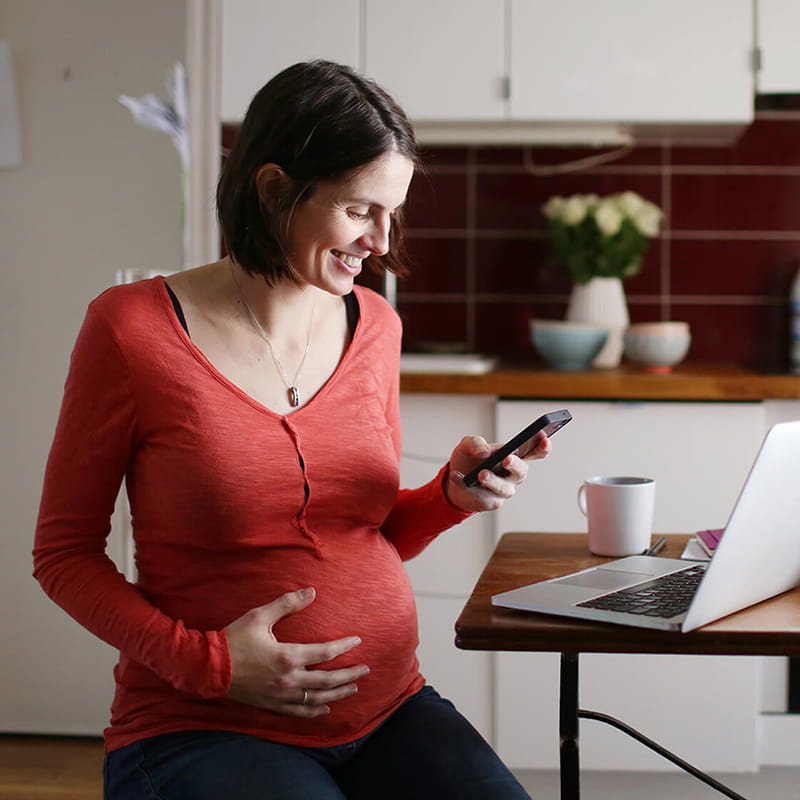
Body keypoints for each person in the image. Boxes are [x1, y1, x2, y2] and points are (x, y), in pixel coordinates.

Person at [34, 60, 550, 800]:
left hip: (390, 711)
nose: (380, 239)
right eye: (359, 209)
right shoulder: (131, 330)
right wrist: (209, 664)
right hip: (200, 727)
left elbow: (363, 533)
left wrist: (450, 497)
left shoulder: (374, 325)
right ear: (274, 189)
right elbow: (62, 557)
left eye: (392, 212)